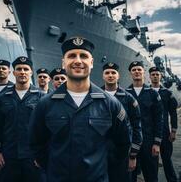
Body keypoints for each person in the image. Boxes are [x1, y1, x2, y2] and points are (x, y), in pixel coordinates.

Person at [29, 36, 131, 182]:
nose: (78, 60)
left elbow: (123, 144)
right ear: (63, 63)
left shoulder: (111, 104)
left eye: (83, 55)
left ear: (92, 62)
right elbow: (36, 144)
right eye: (71, 56)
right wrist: (55, 168)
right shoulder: (45, 104)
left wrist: (99, 167)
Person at [0, 56, 44, 182]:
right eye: (19, 69)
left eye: (26, 69)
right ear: (13, 73)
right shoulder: (2, 98)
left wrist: (43, 154)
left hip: (33, 157)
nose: (22, 72)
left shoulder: (42, 98)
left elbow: (48, 128)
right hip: (8, 156)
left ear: (31, 72)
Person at [101, 62, 142, 182]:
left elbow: (136, 126)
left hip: (122, 153)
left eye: (113, 72)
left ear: (118, 76)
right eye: (107, 73)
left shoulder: (128, 98)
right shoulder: (94, 96)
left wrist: (133, 155)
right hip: (100, 153)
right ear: (103, 76)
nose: (110, 75)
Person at [126, 61, 163, 182]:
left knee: (151, 176)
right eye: (134, 70)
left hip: (149, 141)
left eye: (139, 70)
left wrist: (157, 143)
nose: (137, 72)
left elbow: (159, 119)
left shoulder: (153, 94)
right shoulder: (125, 94)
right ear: (131, 73)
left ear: (144, 73)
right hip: (130, 142)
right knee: (129, 177)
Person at [149, 66, 178, 182]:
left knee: (166, 160)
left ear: (160, 76)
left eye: (157, 74)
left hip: (165, 132)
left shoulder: (167, 93)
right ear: (149, 76)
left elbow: (173, 113)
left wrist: (174, 130)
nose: (155, 76)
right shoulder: (146, 92)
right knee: (152, 163)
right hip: (150, 132)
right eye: (153, 74)